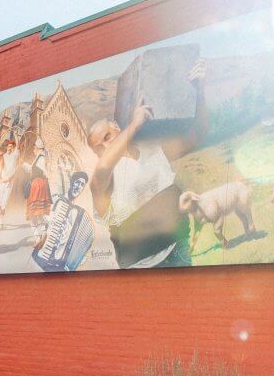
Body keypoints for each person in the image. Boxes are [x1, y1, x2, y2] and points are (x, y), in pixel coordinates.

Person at [87, 59, 208, 268]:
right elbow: (103, 167)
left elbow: (198, 134)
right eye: (99, 147)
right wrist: (134, 124)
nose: (106, 147)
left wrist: (200, 90)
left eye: (107, 136)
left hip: (178, 249)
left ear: (117, 126)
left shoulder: (152, 148)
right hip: (143, 267)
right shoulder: (104, 181)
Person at [32, 171, 94, 272]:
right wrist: (42, 233)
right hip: (42, 257)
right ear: (72, 182)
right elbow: (38, 216)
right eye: (77, 182)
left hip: (58, 267)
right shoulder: (56, 199)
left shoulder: (77, 213)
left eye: (82, 185)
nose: (79, 187)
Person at [23, 135, 52, 240]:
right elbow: (33, 169)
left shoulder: (41, 157)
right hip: (40, 185)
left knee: (34, 212)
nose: (33, 150)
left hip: (37, 186)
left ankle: (39, 235)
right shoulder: (40, 157)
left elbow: (41, 170)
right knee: (39, 212)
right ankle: (42, 232)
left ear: (38, 148)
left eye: (34, 148)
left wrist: (25, 165)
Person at [0, 139, 20, 228]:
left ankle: (1, 222)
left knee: (4, 202)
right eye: (8, 146)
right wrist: (1, 177)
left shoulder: (14, 155)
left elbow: (18, 146)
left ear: (13, 148)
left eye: (11, 147)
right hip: (3, 181)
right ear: (6, 147)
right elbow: (0, 167)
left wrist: (16, 136)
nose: (9, 148)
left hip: (9, 182)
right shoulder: (4, 156)